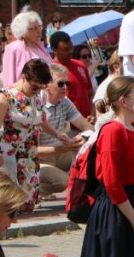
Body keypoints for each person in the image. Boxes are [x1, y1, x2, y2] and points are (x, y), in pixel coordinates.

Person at [34, 77, 134, 257]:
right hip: (114, 209)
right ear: (123, 101)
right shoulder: (112, 131)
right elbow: (112, 182)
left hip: (132, 205)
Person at [0, 59, 73, 212]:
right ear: (23, 77)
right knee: (10, 199)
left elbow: (41, 120)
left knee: (28, 200)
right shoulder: (6, 95)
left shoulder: (36, 96)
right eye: (34, 87)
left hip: (28, 153)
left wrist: (57, 134)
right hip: (9, 152)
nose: (37, 91)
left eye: (40, 88)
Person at [36, 64, 92, 198]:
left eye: (67, 83)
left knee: (90, 155)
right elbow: (34, 151)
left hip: (60, 154)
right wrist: (64, 147)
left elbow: (88, 127)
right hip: (40, 158)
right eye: (60, 83)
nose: (65, 87)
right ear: (46, 85)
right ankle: (30, 193)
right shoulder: (37, 105)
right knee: (63, 182)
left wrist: (82, 138)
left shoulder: (64, 101)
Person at [0, 11, 51, 88]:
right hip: (24, 97)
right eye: (34, 28)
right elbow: (8, 81)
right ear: (23, 31)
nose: (38, 31)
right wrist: (10, 98)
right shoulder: (13, 49)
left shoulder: (40, 47)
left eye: (39, 27)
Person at [48, 31, 93, 119]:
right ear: (54, 50)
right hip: (66, 125)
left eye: (71, 48)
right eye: (65, 49)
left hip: (87, 121)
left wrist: (92, 113)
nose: (70, 52)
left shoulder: (80, 65)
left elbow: (90, 92)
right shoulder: (50, 71)